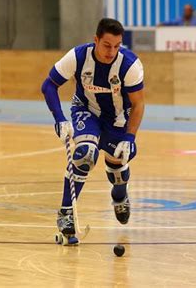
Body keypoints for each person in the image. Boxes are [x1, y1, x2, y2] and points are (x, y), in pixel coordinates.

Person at [41, 18, 145, 243]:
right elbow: (48, 85)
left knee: (118, 163)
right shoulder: (78, 57)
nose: (111, 52)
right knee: (85, 154)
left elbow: (138, 104)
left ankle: (120, 196)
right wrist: (59, 119)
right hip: (86, 109)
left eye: (117, 46)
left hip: (118, 117)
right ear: (96, 40)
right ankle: (66, 212)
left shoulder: (129, 66)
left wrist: (129, 137)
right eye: (107, 45)